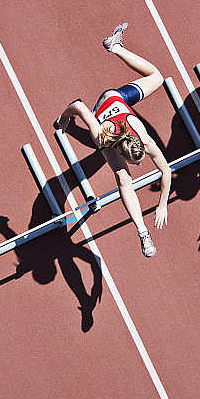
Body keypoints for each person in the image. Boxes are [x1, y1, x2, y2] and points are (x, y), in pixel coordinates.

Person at [54, 23, 171, 257]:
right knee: (123, 178)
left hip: (121, 106)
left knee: (158, 78)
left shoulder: (145, 141)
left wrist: (162, 204)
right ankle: (142, 232)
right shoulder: (102, 136)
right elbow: (78, 105)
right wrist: (63, 119)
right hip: (106, 103)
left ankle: (115, 47)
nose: (140, 164)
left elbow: (166, 171)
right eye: (136, 162)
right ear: (122, 151)